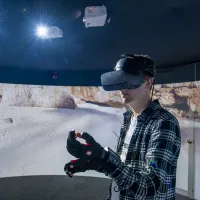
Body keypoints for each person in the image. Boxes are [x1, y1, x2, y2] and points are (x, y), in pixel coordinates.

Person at [64, 54, 181, 200]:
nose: (123, 88)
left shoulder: (163, 123)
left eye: (130, 80)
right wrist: (93, 162)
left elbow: (151, 187)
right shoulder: (128, 119)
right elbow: (123, 170)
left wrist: (103, 157)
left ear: (148, 82)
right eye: (120, 80)